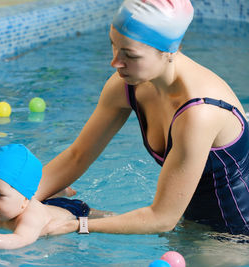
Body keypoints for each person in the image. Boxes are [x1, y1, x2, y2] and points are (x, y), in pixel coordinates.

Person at [34, 0, 249, 236]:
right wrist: (19, 199)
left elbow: (162, 219)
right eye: (113, 45)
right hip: (186, 219)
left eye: (130, 55)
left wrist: (77, 226)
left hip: (235, 236)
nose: (115, 62)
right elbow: (77, 156)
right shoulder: (127, 85)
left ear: (169, 51)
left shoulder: (199, 114)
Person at [0, 144, 112, 249]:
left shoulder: (30, 217)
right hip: (40, 203)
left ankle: (64, 195)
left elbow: (21, 240)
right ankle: (60, 192)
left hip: (70, 210)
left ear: (26, 199)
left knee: (103, 217)